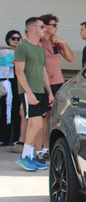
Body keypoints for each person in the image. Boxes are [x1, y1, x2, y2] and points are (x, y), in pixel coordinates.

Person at [14, 17, 52, 171]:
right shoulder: (22, 47)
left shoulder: (40, 49)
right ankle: (24, 157)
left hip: (40, 91)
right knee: (37, 124)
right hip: (29, 92)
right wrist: (29, 93)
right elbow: (19, 72)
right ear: (32, 29)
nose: (45, 29)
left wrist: (50, 92)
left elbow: (44, 73)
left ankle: (30, 157)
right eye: (42, 27)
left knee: (33, 125)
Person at [38, 13, 74, 161]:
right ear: (45, 26)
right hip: (44, 84)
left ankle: (50, 147)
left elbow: (71, 59)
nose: (56, 28)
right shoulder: (39, 43)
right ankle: (42, 149)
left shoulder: (56, 42)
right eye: (54, 25)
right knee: (43, 118)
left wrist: (63, 43)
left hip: (58, 83)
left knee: (53, 116)